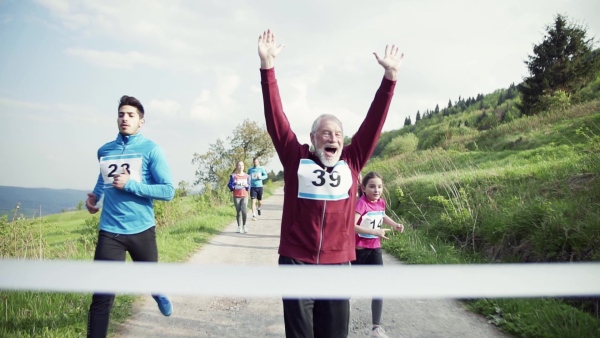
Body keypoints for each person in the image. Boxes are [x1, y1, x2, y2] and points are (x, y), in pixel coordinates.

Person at [258, 29, 404, 338]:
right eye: (325, 133)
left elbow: (373, 124)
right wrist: (267, 68)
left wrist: (390, 79)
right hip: (296, 262)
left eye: (338, 133)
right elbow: (275, 118)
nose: (332, 137)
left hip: (338, 264)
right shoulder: (295, 158)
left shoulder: (352, 162)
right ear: (312, 140)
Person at [85, 95, 175, 338]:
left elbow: (168, 191)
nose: (125, 118)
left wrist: (132, 186)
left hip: (141, 230)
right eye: (121, 114)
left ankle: (158, 292)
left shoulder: (151, 150)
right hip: (110, 232)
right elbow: (104, 179)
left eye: (131, 115)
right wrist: (95, 197)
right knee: (101, 297)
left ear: (141, 122)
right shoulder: (105, 150)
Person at [352, 171, 404, 338]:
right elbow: (352, 226)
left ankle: (376, 328)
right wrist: (374, 231)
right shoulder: (361, 204)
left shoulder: (381, 202)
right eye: (372, 186)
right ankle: (339, 322)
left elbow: (382, 215)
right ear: (363, 188)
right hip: (359, 252)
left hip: (375, 250)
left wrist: (395, 224)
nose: (376, 190)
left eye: (379, 186)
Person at [228, 161, 251, 233]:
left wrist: (247, 186)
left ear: (244, 167)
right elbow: (229, 185)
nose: (241, 167)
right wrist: (233, 186)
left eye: (242, 165)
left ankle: (244, 226)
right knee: (238, 212)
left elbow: (249, 185)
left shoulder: (247, 176)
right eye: (239, 165)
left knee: (244, 211)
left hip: (245, 195)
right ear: (237, 167)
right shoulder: (233, 176)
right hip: (236, 196)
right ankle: (239, 227)